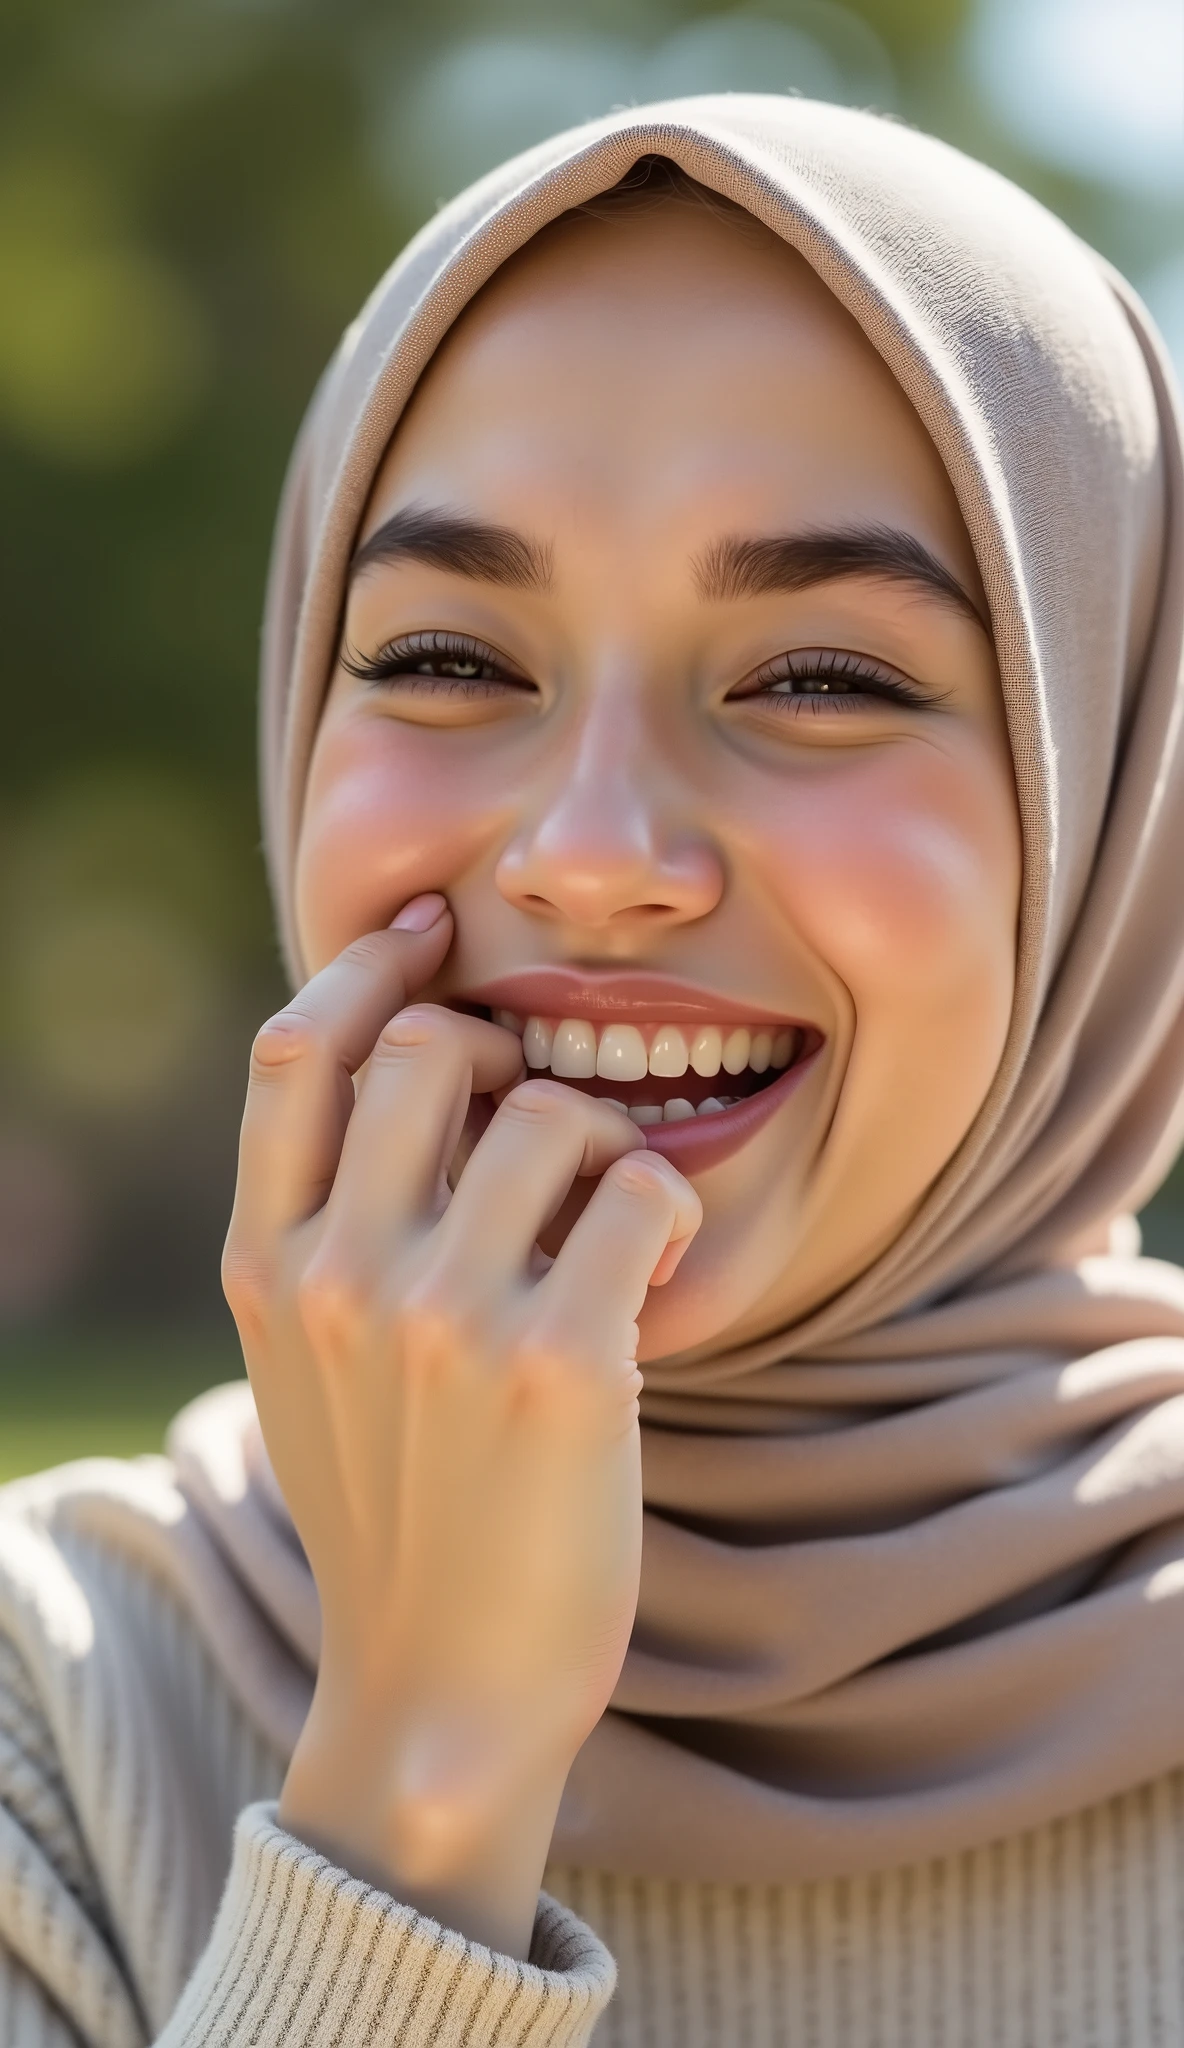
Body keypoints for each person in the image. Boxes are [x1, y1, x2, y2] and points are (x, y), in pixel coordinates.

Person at [2, 95, 1183, 2048]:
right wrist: (409, 1794)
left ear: (1116, 816)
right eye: (451, 657)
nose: (592, 848)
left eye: (820, 679)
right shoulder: (60, 1707)